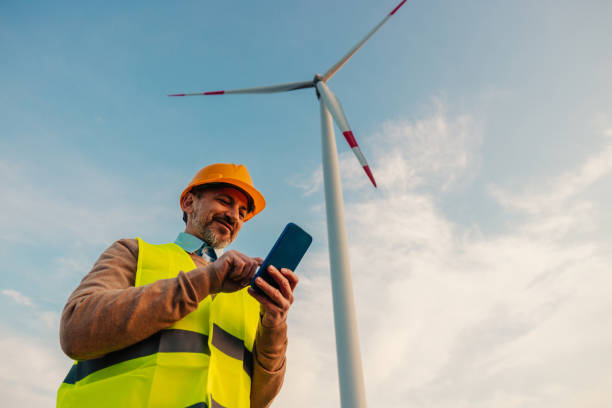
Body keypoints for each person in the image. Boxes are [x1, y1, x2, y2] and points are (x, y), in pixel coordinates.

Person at [57, 163, 299, 408]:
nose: (233, 215)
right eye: (225, 201)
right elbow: (75, 332)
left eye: (242, 212)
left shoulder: (250, 297)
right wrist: (207, 280)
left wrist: (275, 324)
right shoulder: (135, 253)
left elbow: (257, 401)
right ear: (189, 203)